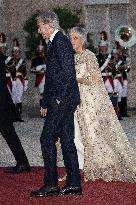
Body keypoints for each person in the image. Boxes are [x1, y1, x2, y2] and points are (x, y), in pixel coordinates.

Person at [66, 26, 136, 182]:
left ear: (82, 40)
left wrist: (75, 78)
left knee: (91, 131)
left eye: (75, 38)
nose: (72, 41)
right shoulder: (71, 57)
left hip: (89, 99)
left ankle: (100, 164)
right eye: (71, 38)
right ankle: (80, 166)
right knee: (75, 132)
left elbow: (96, 79)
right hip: (74, 99)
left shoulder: (89, 56)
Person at [31, 11, 82, 197]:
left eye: (40, 26)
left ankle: (51, 184)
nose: (38, 30)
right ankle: (74, 183)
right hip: (63, 100)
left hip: (63, 100)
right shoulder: (55, 41)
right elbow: (52, 76)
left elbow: (69, 73)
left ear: (49, 25)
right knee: (67, 141)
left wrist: (58, 99)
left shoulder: (60, 41)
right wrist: (45, 101)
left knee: (46, 138)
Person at [0, 51, 31, 174]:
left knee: (9, 133)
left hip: (1, 103)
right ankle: (23, 162)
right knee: (9, 133)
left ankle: (23, 163)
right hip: (3, 101)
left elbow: (10, 65)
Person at [30, 41, 46, 107]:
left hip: (48, 78)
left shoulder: (48, 58)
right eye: (39, 50)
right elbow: (32, 70)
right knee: (42, 94)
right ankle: (42, 110)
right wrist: (39, 72)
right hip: (40, 78)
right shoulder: (35, 60)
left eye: (42, 50)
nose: (40, 51)